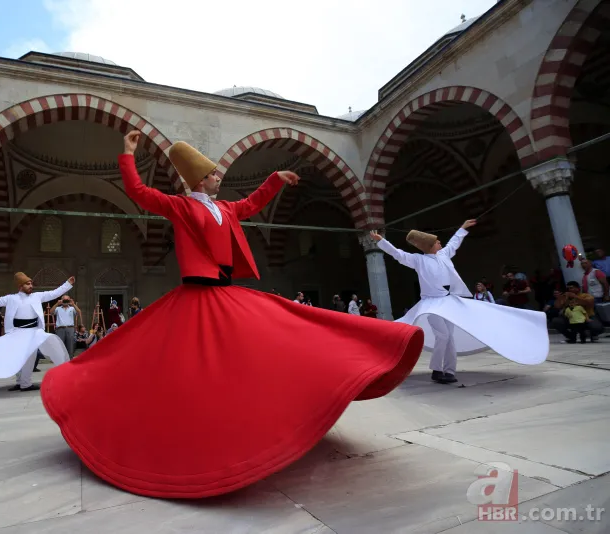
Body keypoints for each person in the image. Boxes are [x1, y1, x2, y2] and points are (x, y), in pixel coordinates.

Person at [40, 130, 424, 499]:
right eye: (211, 174)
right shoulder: (180, 205)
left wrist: (274, 179)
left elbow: (252, 204)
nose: (217, 178)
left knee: (282, 329)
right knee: (183, 367)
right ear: (199, 180)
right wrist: (127, 154)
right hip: (196, 295)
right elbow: (139, 193)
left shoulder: (226, 208)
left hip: (225, 292)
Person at [371, 221, 549, 385]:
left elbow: (453, 243)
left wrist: (463, 228)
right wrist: (381, 241)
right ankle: (437, 369)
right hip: (431, 304)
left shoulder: (443, 255)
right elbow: (398, 254)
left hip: (448, 302)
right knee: (443, 335)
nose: (441, 243)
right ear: (430, 245)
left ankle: (448, 371)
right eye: (438, 242)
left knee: (449, 336)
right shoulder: (419, 260)